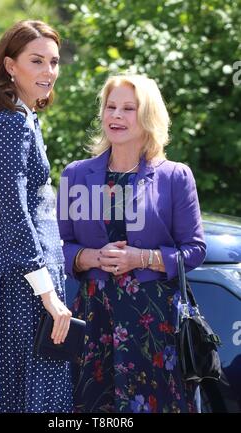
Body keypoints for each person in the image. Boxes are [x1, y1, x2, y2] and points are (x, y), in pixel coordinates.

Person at [57, 74, 206, 413]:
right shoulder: (75, 175)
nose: (116, 116)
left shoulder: (174, 176)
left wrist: (142, 258)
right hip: (93, 319)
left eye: (128, 108)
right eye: (111, 107)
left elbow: (195, 250)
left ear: (148, 117)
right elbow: (58, 246)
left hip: (154, 323)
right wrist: (91, 257)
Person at [0, 20, 72, 413]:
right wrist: (49, 296)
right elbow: (14, 215)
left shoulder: (23, 117)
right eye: (37, 61)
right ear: (11, 66)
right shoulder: (9, 123)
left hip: (31, 281)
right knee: (30, 401)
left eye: (54, 62)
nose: (49, 72)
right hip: (26, 288)